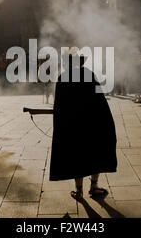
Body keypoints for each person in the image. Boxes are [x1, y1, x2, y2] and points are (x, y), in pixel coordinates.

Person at [50, 48, 117, 200]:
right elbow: (100, 100)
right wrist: (106, 120)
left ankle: (79, 190)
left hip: (72, 125)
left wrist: (61, 125)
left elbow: (59, 105)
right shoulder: (88, 75)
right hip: (92, 122)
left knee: (76, 156)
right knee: (96, 152)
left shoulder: (62, 78)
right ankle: (93, 186)